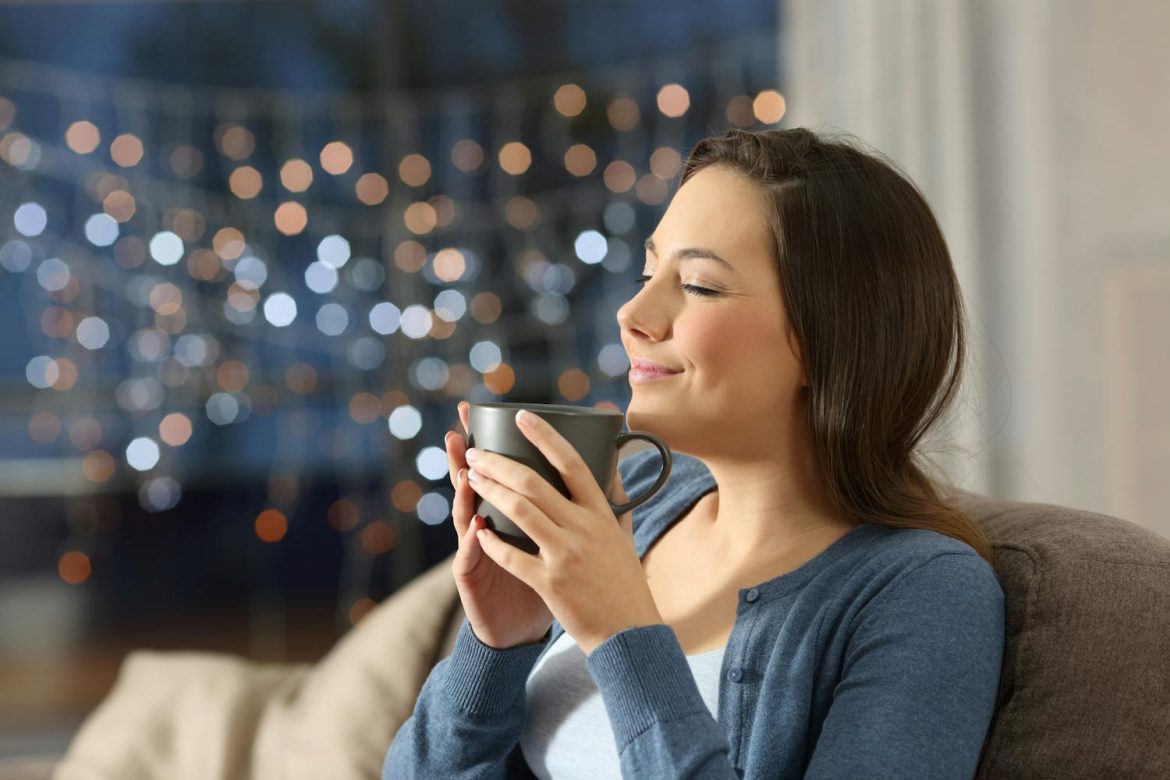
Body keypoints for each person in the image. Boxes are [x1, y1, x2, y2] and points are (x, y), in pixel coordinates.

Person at [382, 127, 1005, 778]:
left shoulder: (926, 595)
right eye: (650, 272)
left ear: (830, 339)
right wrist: (500, 644)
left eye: (701, 285)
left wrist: (623, 633)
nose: (632, 312)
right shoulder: (646, 495)